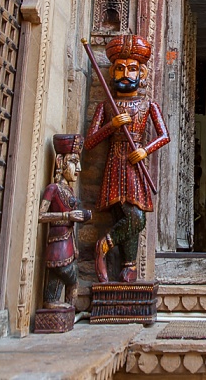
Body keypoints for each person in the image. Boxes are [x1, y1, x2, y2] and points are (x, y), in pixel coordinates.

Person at [85, 34, 170, 283]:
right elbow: (90, 142)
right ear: (112, 72)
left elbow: (164, 135)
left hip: (135, 163)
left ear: (141, 73)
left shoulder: (147, 105)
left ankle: (119, 260)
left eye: (132, 69)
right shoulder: (106, 106)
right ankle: (121, 261)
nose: (126, 74)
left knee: (135, 217)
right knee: (128, 218)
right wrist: (111, 125)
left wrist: (145, 150)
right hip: (115, 162)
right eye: (120, 68)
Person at [38, 134, 91, 308]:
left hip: (67, 242)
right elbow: (40, 216)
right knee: (68, 275)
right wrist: (67, 216)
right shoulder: (53, 189)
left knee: (64, 278)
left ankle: (61, 308)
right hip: (56, 242)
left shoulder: (68, 191)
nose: (79, 168)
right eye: (74, 163)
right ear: (60, 162)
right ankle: (56, 305)